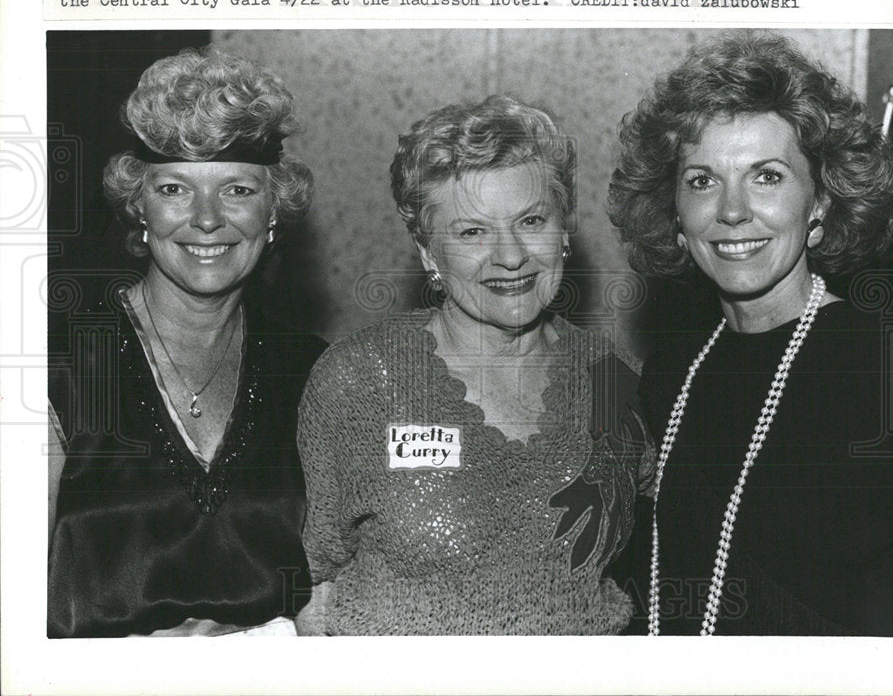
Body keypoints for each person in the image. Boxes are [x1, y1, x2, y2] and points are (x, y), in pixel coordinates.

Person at [606, 33, 893, 636]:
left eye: (767, 176)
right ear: (676, 215)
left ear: (820, 202)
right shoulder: (671, 372)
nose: (732, 211)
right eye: (702, 180)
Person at [296, 95, 653, 635]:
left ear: (564, 232)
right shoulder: (360, 380)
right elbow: (319, 571)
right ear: (427, 253)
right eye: (472, 232)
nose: (510, 256)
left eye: (531, 220)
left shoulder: (612, 376)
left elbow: (647, 552)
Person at [47, 48, 327, 637]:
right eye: (175, 189)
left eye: (238, 191)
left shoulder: (315, 372)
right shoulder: (56, 365)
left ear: (274, 210)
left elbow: (338, 583)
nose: (205, 219)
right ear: (138, 206)